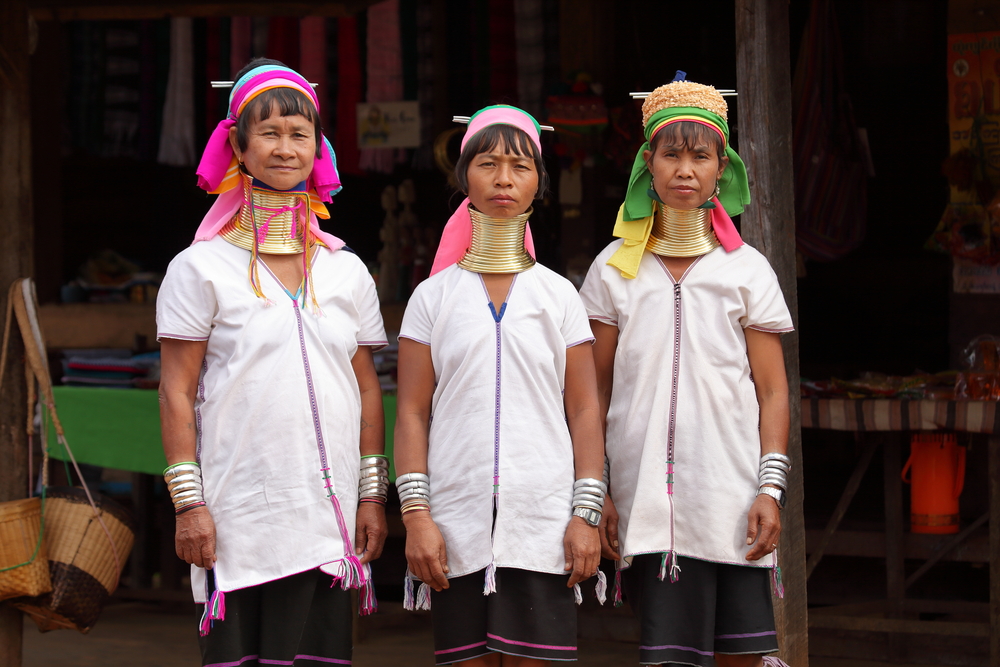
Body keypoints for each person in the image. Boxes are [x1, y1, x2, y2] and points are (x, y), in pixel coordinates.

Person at [156, 58, 388, 667]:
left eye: (299, 134)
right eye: (270, 133)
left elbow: (367, 389)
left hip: (328, 515)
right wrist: (189, 504)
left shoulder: (346, 271)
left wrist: (372, 495)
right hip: (238, 514)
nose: (285, 148)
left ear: (318, 148)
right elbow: (176, 391)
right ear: (237, 144)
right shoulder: (198, 267)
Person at [579, 74, 794, 667]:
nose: (685, 168)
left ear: (721, 168)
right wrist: (598, 493)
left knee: (742, 660)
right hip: (645, 503)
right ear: (648, 163)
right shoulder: (613, 270)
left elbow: (774, 391)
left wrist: (769, 489)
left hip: (732, 503)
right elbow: (593, 391)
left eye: (701, 155)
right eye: (671, 153)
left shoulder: (747, 270)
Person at [394, 105, 606, 666]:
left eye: (520, 165)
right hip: (454, 524)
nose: (504, 179)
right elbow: (412, 413)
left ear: (540, 182)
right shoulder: (431, 299)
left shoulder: (560, 296)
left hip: (543, 523)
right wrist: (416, 516)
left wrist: (586, 513)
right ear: (464, 177)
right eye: (488, 164)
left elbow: (585, 409)